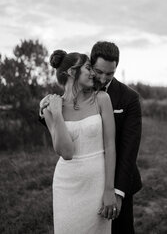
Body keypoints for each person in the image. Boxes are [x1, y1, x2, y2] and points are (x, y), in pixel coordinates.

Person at [41, 49, 117, 234]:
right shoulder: (50, 108)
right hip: (66, 186)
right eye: (88, 68)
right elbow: (66, 153)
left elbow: (110, 145)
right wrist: (57, 114)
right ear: (72, 72)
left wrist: (109, 190)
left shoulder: (101, 99)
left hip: (97, 186)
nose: (93, 73)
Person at [90, 41, 142, 234]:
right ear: (91, 64)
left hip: (120, 179)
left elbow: (129, 149)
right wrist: (44, 112)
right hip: (87, 179)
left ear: (116, 69)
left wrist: (117, 193)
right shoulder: (79, 91)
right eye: (99, 71)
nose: (103, 78)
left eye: (109, 73)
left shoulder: (130, 98)